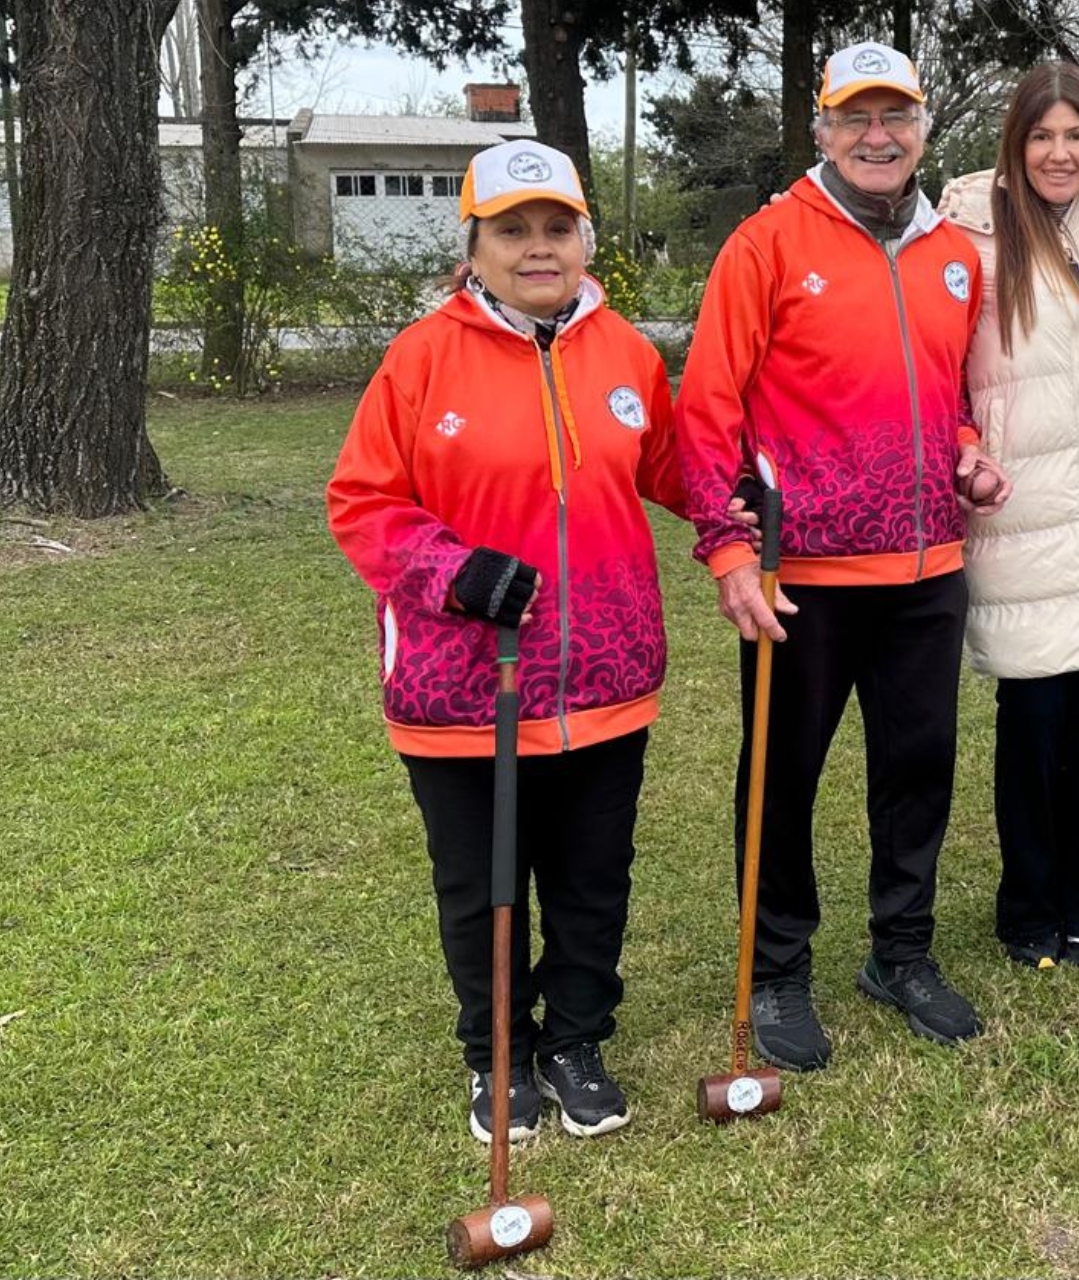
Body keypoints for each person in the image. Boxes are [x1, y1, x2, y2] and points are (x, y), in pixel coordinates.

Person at [326, 140, 690, 1141]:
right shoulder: (421, 357)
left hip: (607, 679)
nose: (539, 248)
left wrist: (740, 494)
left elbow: (672, 466)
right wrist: (457, 571)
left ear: (585, 236)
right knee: (484, 885)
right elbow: (361, 503)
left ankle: (577, 1036)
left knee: (591, 876)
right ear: (475, 245)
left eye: (556, 227)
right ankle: (499, 1054)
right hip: (464, 691)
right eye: (513, 230)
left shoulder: (625, 350)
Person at [677, 40, 1009, 1072]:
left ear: (921, 131)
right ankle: (777, 969)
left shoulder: (954, 252)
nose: (878, 136)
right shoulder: (767, 244)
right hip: (800, 577)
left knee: (917, 770)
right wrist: (728, 550)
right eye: (856, 118)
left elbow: (948, 397)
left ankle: (899, 953)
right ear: (822, 130)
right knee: (782, 778)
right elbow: (707, 407)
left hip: (926, 570)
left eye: (896, 117)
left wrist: (965, 456)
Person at [934, 64, 1079, 973]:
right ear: (1014, 146)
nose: (1059, 154)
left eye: (1076, 136)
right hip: (1018, 511)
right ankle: (1027, 906)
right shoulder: (967, 238)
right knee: (1031, 718)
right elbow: (936, 369)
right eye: (1041, 136)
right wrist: (962, 449)